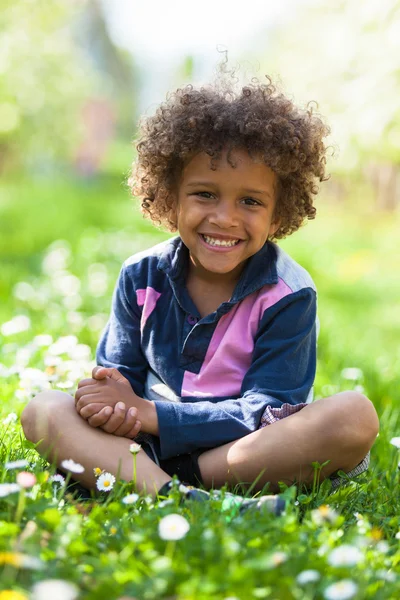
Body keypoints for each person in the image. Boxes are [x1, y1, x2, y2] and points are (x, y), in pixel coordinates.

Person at [21, 74, 379, 515]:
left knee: (354, 417)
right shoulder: (141, 275)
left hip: (237, 453)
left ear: (279, 209)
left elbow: (266, 411)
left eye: (250, 201)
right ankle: (186, 501)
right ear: (170, 197)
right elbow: (119, 378)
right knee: (44, 409)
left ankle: (158, 486)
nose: (225, 218)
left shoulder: (288, 294)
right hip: (141, 442)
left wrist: (153, 416)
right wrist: (109, 401)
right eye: (205, 194)